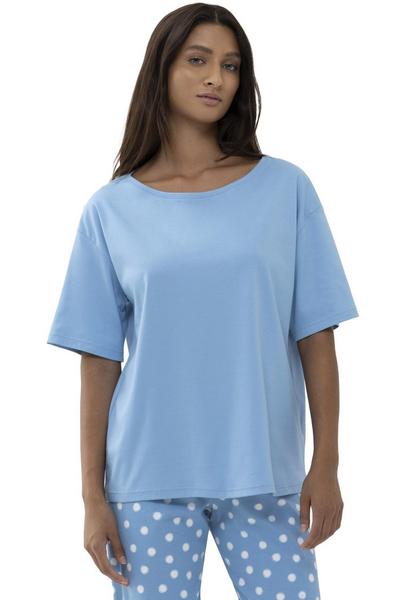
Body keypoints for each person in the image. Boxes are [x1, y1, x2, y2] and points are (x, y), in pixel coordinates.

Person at [46, 3, 359, 599]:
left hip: (266, 471)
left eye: (231, 65)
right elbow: (99, 360)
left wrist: (327, 464)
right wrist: (92, 497)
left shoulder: (285, 189)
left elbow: (316, 334)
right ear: (161, 69)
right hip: (148, 479)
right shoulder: (110, 210)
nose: (217, 77)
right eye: (198, 60)